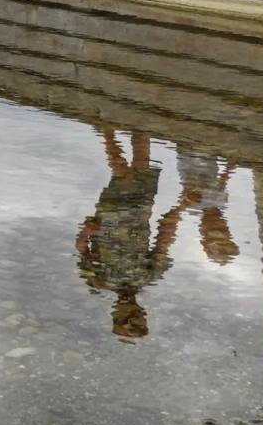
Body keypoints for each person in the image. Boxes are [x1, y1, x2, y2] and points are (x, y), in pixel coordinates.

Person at [76, 131, 185, 340]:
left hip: (110, 216)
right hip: (142, 211)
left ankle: (107, 131)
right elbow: (164, 241)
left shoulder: (97, 281)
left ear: (114, 315)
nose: (132, 313)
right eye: (137, 316)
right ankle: (137, 123)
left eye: (122, 319)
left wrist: (86, 232)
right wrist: (181, 207)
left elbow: (82, 249)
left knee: (122, 172)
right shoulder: (148, 277)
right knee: (142, 162)